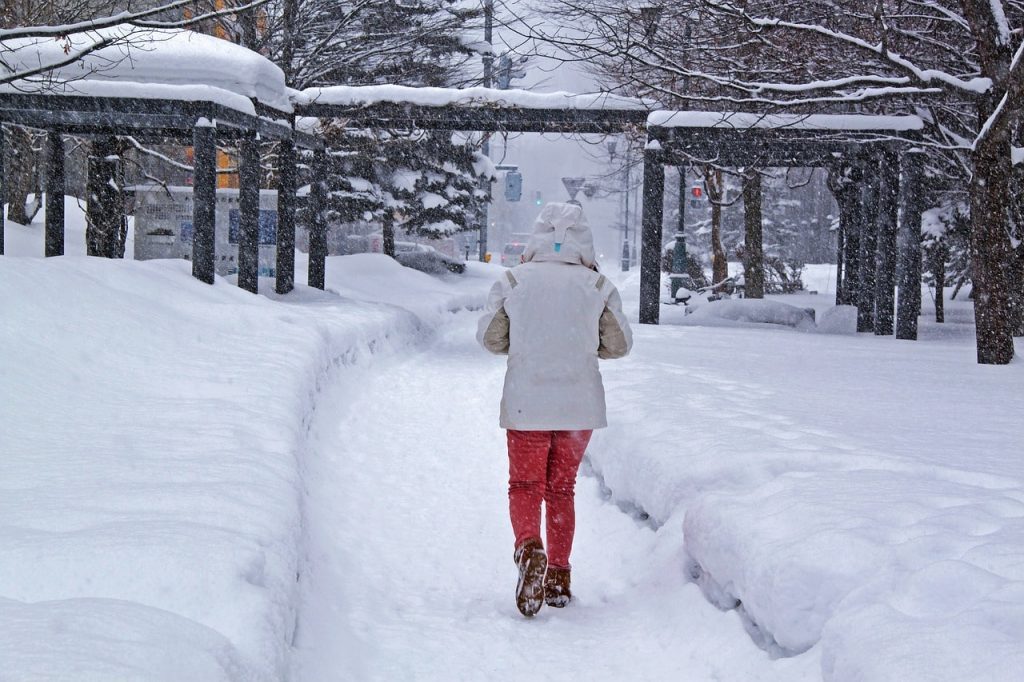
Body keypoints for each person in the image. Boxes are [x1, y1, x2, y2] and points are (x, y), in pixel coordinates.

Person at [477, 202, 633, 617]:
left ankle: (529, 548)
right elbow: (619, 345)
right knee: (561, 488)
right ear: (584, 239)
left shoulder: (515, 281)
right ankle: (559, 577)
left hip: (528, 401)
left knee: (525, 485)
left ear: (536, 236)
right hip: (578, 405)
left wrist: (527, 341)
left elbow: (491, 339)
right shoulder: (596, 286)